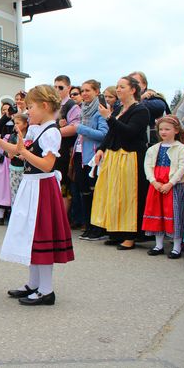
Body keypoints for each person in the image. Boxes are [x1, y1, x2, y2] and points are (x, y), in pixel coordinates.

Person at [0, 85, 74, 306]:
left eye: (31, 107)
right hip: (31, 186)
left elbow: (47, 165)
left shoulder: (51, 132)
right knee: (31, 236)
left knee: (40, 236)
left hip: (42, 188)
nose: (28, 112)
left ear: (45, 106)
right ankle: (34, 283)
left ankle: (46, 290)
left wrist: (24, 152)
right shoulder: (37, 129)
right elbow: (15, 151)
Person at [92, 75, 150, 250]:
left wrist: (109, 118)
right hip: (115, 156)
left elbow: (129, 132)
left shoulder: (140, 110)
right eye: (117, 86)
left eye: (122, 86)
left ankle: (130, 236)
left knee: (129, 196)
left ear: (133, 90)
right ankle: (116, 232)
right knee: (114, 195)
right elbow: (112, 133)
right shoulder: (119, 109)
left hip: (131, 157)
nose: (118, 89)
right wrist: (102, 148)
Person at [142, 115, 184, 258]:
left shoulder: (181, 149)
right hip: (156, 185)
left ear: (176, 130)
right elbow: (148, 166)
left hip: (172, 186)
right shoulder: (154, 148)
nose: (163, 132)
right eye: (161, 129)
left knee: (174, 215)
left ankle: (176, 247)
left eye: (167, 129)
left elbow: (182, 168)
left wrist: (170, 183)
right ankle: (159, 245)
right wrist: (153, 181)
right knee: (157, 214)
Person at [73, 80, 109, 241]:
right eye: (82, 91)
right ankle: (88, 226)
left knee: (95, 193)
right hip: (80, 155)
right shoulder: (83, 109)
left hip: (93, 157)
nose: (84, 94)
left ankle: (98, 228)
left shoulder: (100, 111)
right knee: (84, 192)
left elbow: (103, 134)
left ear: (96, 91)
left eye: (88, 90)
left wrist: (80, 128)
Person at [54, 75, 80, 217]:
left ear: (68, 88)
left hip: (65, 150)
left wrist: (54, 132)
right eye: (55, 87)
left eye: (61, 87)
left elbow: (75, 127)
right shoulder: (54, 105)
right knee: (54, 183)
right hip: (53, 149)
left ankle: (62, 219)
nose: (57, 90)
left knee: (64, 185)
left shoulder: (72, 106)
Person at [130, 71, 171, 144]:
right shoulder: (121, 103)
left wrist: (138, 100)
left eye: (136, 83)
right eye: (130, 84)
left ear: (144, 85)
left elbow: (159, 107)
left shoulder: (152, 98)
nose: (133, 86)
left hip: (148, 143)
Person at [8, 114, 29, 205]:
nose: (15, 125)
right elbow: (10, 155)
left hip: (26, 170)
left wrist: (25, 155)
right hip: (14, 169)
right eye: (14, 123)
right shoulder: (13, 137)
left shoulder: (29, 137)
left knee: (26, 195)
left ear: (25, 124)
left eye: (18, 123)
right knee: (15, 194)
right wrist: (17, 152)